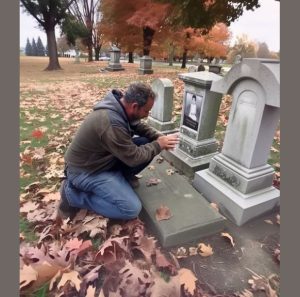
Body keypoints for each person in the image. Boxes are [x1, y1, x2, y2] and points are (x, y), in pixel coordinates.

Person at [58, 82, 179, 221]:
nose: (147, 115)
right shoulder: (111, 122)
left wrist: (158, 137)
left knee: (145, 142)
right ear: (134, 106)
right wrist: (158, 145)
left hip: (100, 161)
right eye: (146, 111)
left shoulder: (121, 106)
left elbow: (138, 126)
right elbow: (134, 158)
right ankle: (72, 195)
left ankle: (121, 178)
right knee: (131, 209)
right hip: (85, 171)